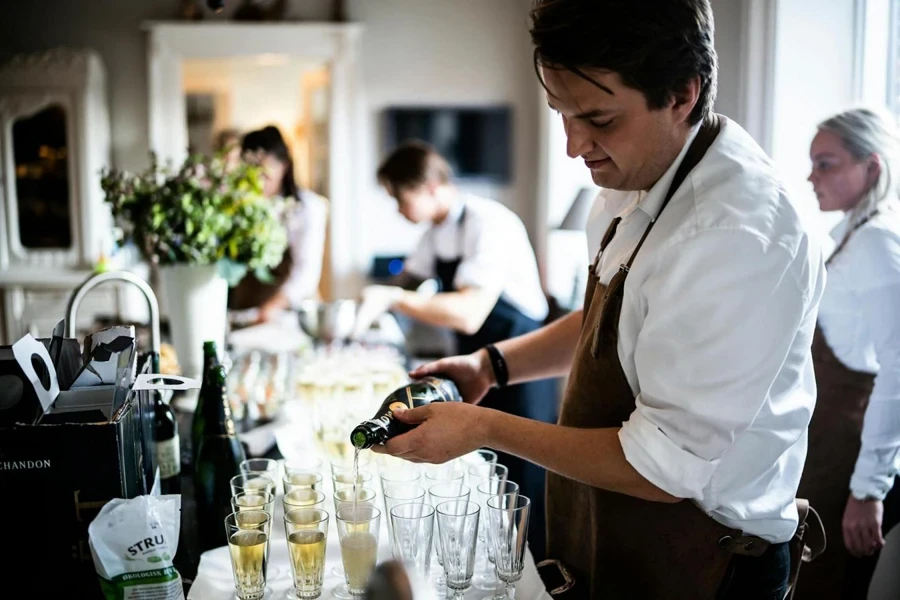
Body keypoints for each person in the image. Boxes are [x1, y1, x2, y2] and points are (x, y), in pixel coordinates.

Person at [370, 1, 827, 598]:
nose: (573, 145)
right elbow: (607, 321)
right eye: (561, 113)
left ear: (682, 95)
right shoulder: (635, 181)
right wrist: (492, 365)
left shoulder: (737, 234)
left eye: (600, 119)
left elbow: (663, 469)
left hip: (705, 565)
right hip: (614, 534)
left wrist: (481, 427)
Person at [361, 140, 558, 559]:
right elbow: (407, 284)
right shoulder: (436, 233)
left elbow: (468, 313)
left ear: (431, 186)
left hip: (521, 361)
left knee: (523, 480)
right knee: (484, 472)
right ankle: (494, 560)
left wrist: (390, 299)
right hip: (476, 363)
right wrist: (373, 302)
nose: (397, 208)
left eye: (399, 196)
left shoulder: (489, 223)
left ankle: (537, 572)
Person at [793, 108, 900, 599]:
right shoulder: (851, 238)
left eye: (826, 164)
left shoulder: (878, 242)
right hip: (824, 442)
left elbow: (897, 368)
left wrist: (868, 489)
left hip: (847, 451)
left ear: (872, 168)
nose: (812, 176)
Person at [228, 125, 328, 320]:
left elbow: (306, 273)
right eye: (250, 169)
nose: (257, 178)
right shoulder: (236, 206)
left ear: (284, 165)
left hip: (292, 313)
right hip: (244, 311)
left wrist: (271, 308)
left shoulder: (307, 207)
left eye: (265, 170)